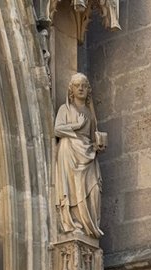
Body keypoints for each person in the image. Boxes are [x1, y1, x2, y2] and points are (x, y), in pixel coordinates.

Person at [54, 72, 105, 238]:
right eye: (77, 86)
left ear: (88, 89)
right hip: (70, 153)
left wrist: (98, 145)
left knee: (94, 190)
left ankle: (90, 226)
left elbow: (92, 136)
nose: (81, 88)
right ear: (71, 90)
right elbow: (57, 129)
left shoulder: (90, 112)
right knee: (74, 188)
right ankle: (75, 222)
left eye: (84, 86)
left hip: (88, 154)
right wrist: (76, 125)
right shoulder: (65, 109)